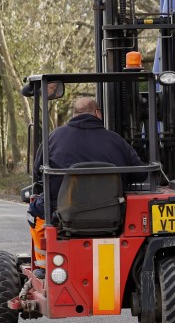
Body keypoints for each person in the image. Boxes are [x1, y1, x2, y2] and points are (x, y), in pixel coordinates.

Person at [28, 96, 145, 277]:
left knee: (34, 211)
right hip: (112, 217)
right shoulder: (116, 140)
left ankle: (45, 267)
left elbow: (37, 175)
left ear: (74, 114)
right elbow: (140, 173)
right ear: (97, 113)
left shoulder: (54, 138)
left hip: (63, 214)